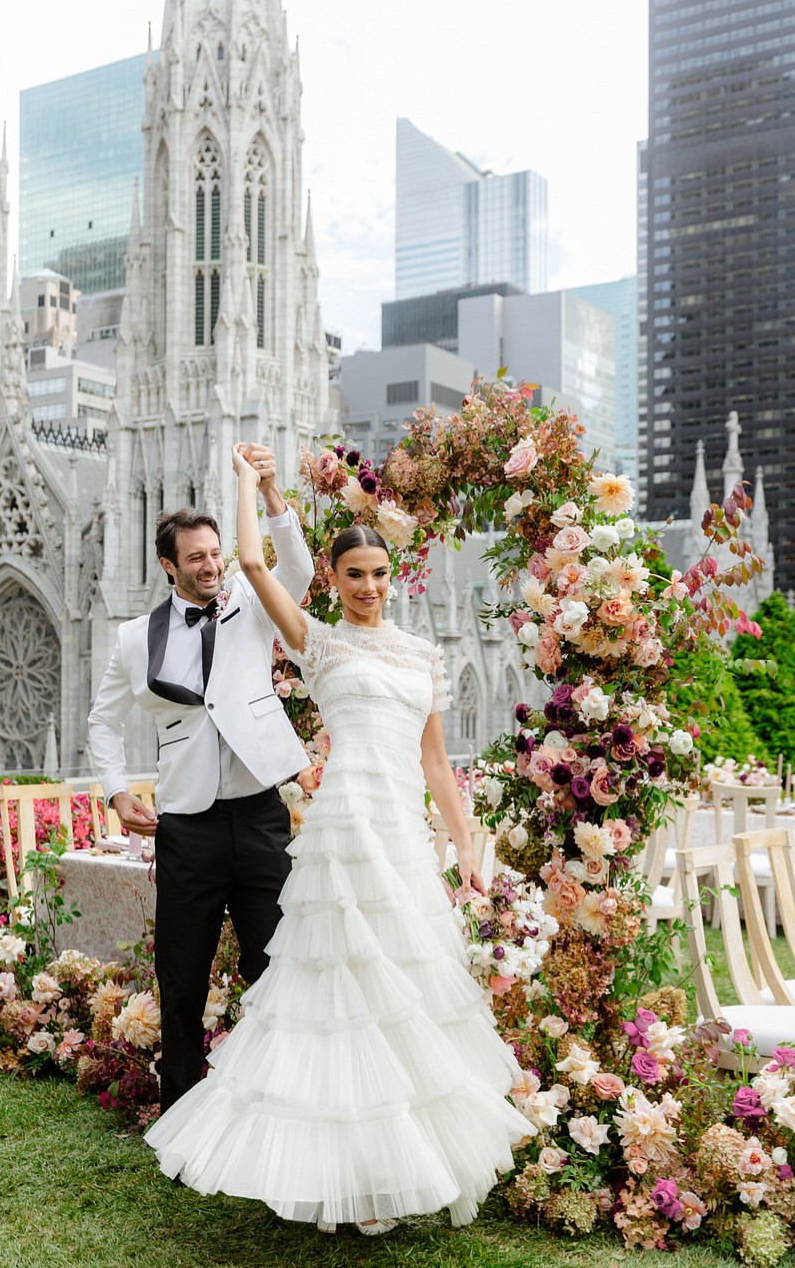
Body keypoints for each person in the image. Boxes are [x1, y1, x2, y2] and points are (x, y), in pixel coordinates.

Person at [143, 444, 534, 1234]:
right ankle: (337, 1174)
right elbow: (253, 563)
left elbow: (436, 761)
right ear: (335, 577)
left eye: (380, 575)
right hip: (342, 828)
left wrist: (463, 846)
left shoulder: (425, 656)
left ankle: (391, 1165)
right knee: (334, 996)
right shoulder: (319, 642)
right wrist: (254, 485)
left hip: (398, 830)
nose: (368, 588)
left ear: (394, 578)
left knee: (403, 992)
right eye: (354, 575)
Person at [87, 444, 314, 1113]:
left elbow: (296, 568)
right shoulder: (136, 638)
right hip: (186, 827)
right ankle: (182, 1111)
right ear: (169, 566)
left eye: (216, 553)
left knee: (277, 967)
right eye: (196, 558)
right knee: (180, 978)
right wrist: (116, 791)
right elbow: (102, 722)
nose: (211, 565)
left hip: (261, 816)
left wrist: (272, 494)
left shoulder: (252, 600)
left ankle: (281, 1100)